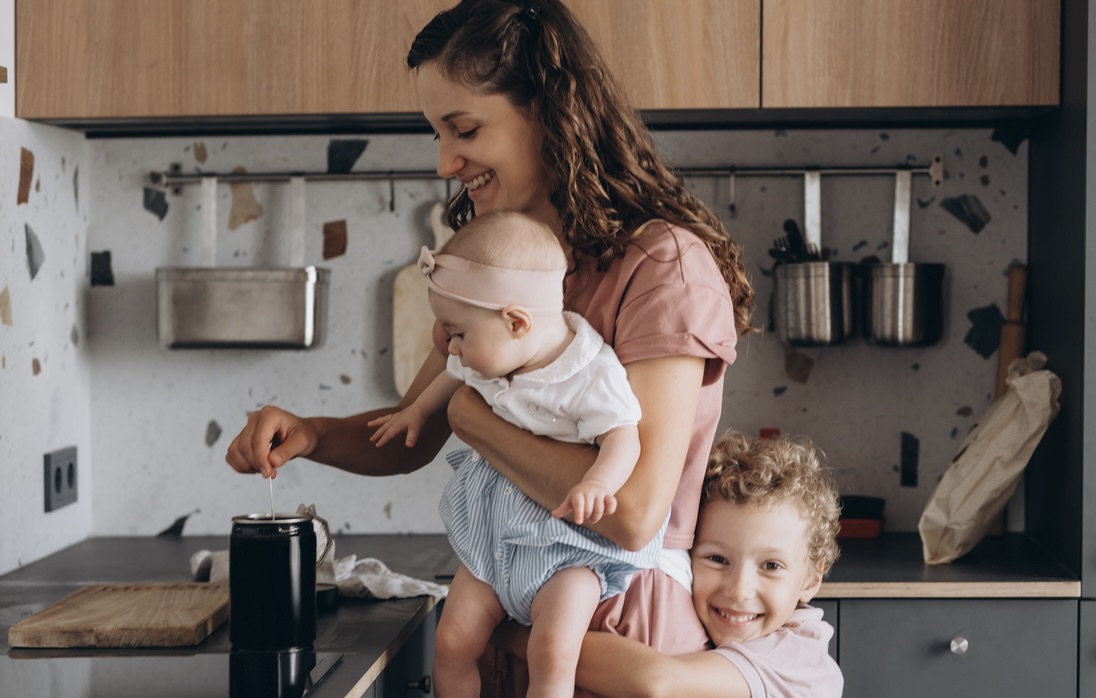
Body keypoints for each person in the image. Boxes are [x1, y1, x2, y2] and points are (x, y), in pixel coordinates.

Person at [226, 0, 754, 693]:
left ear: (549, 112)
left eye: (464, 128)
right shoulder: (494, 266)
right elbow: (416, 427)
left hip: (619, 632)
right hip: (511, 623)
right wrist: (310, 434)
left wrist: (472, 418)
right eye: (437, 134)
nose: (446, 162)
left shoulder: (660, 267)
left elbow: (630, 514)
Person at [367, 209, 663, 697]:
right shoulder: (492, 352)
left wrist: (598, 483)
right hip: (492, 540)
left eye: (457, 333)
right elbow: (450, 377)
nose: (451, 348)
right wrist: (416, 412)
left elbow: (624, 436)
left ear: (517, 321)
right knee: (453, 641)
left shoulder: (589, 372)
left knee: (553, 654)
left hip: (571, 549)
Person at [499, 430, 844, 698]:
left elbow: (656, 682)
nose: (739, 590)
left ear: (812, 578)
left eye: (771, 566)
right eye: (717, 559)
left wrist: (517, 635)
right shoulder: (703, 622)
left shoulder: (802, 658)